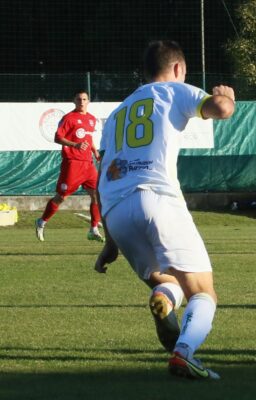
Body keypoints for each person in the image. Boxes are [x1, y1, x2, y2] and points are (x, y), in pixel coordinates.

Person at [94, 40, 235, 380]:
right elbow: (220, 109)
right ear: (176, 69)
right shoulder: (174, 89)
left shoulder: (116, 114)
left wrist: (110, 243)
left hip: (115, 210)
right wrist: (226, 95)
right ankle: (184, 355)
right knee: (203, 291)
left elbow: (102, 175)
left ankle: (164, 297)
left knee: (169, 280)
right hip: (156, 197)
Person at [35, 90, 104, 242]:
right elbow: (57, 137)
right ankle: (41, 221)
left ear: (88, 101)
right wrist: (75, 145)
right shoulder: (69, 118)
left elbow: (89, 138)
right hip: (72, 163)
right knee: (61, 197)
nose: (81, 102)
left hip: (88, 164)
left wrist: (95, 152)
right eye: (79, 99)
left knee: (97, 195)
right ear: (74, 100)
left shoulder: (91, 119)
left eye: (84, 99)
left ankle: (93, 229)